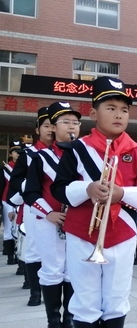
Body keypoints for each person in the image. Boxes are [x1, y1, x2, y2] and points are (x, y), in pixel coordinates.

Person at [51, 77, 137, 326]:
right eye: (110, 108)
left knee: (116, 298)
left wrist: (122, 194)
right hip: (82, 232)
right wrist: (87, 188)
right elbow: (59, 189)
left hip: (123, 231)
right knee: (85, 300)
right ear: (93, 113)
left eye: (124, 110)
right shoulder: (76, 149)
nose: (118, 115)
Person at [24, 101, 80, 326]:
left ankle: (69, 317)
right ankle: (54, 320)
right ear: (53, 128)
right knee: (52, 270)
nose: (71, 127)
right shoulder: (40, 158)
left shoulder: (84, 155)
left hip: (77, 222)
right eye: (65, 122)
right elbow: (31, 193)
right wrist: (49, 214)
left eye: (75, 122)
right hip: (49, 221)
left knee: (73, 270)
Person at [12, 112, 52, 307]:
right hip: (35, 207)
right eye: (46, 126)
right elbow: (16, 181)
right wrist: (31, 184)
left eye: (54, 125)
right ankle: (35, 293)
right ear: (37, 130)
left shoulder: (68, 152)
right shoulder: (28, 155)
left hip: (60, 208)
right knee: (34, 249)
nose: (50, 129)